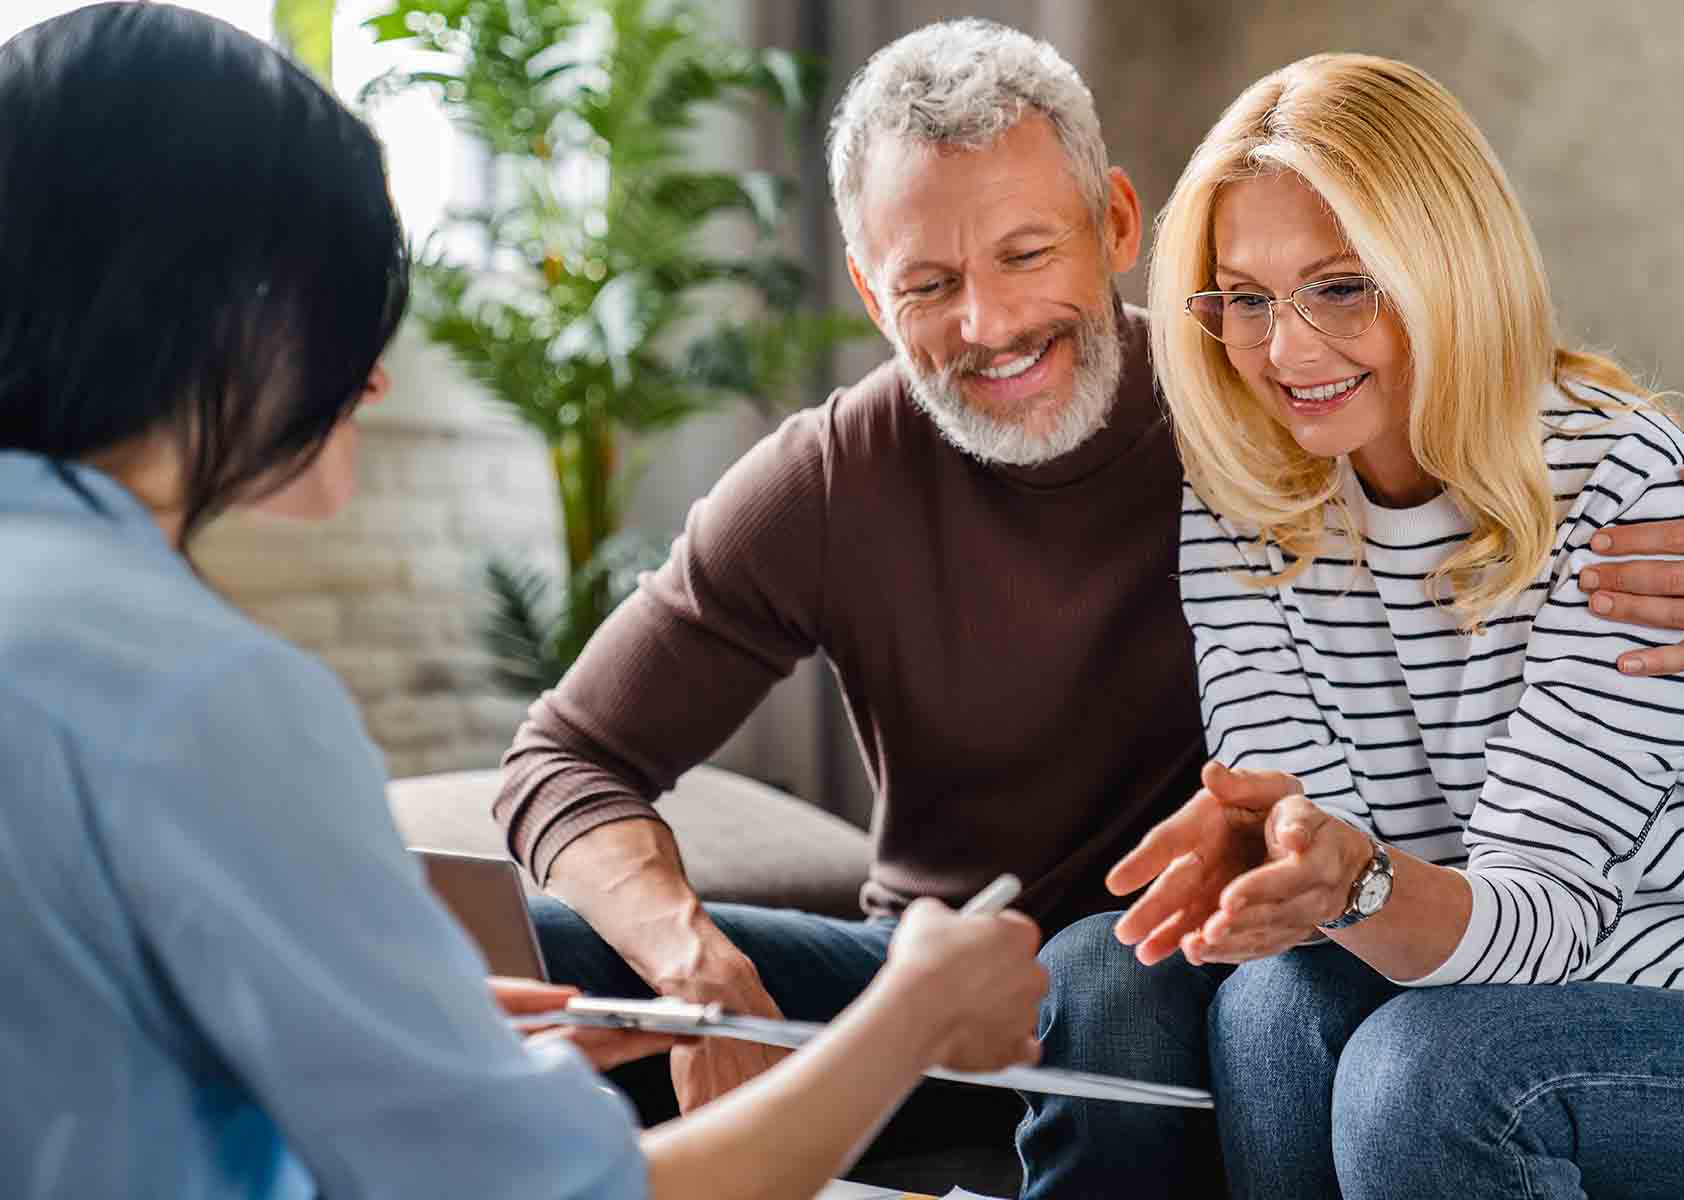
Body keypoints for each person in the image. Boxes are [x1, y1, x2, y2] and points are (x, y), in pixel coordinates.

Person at [498, 18, 1684, 1199]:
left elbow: (1423, 833)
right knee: (535, 963)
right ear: (874, 299)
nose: (988, 325)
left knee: (1135, 971)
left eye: (1025, 253)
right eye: (927, 283)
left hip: (1170, 981)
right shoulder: (871, 476)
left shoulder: (1259, 429)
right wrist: (687, 967)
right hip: (938, 979)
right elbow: (564, 755)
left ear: (1116, 224)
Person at [0, 7, 1048, 1199]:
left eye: (1026, 253)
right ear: (228, 314)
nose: (375, 369)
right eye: (352, 305)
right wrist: (905, 1016)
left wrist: (405, 1037)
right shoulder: (200, 695)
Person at [1096, 52, 1684, 1198]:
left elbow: (1544, 921)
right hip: (1464, 966)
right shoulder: (1248, 489)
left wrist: (1349, 883)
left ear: (1446, 265)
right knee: (1270, 1010)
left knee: (1425, 1074)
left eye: (1340, 286)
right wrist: (1286, 871)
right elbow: (1315, 838)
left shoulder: (1621, 488)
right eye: (1242, 296)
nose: (1283, 352)